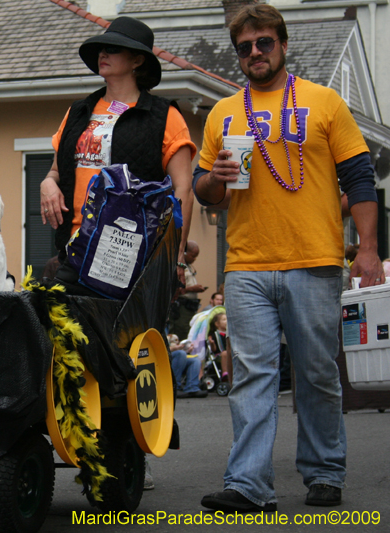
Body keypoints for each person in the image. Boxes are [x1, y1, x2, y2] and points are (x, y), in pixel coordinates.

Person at [194, 4, 384, 513]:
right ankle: (249, 484)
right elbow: (203, 191)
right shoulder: (222, 113)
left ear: (282, 44)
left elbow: (360, 179)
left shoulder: (325, 103)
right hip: (247, 265)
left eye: (264, 43)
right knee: (252, 376)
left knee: (317, 372)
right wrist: (217, 178)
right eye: (245, 47)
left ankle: (324, 472)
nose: (255, 53)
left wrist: (368, 250)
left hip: (315, 260)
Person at [39, 16, 196, 294]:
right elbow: (56, 171)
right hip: (73, 245)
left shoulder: (164, 116)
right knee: (63, 332)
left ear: (137, 60)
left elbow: (183, 188)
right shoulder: (78, 111)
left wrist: (176, 255)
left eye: (112, 48)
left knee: (120, 337)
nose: (103, 54)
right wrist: (47, 183)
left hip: (129, 252)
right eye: (101, 48)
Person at [170, 241, 207, 339]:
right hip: (181, 307)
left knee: (189, 330)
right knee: (182, 331)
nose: (194, 259)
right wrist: (192, 289)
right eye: (193, 256)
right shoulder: (177, 267)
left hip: (190, 307)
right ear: (185, 253)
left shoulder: (189, 267)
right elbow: (174, 289)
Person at [168, 334, 207, 398]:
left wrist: (186, 350)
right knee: (181, 354)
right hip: (163, 360)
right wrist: (177, 348)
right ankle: (175, 388)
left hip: (174, 358)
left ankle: (192, 387)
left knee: (195, 361)